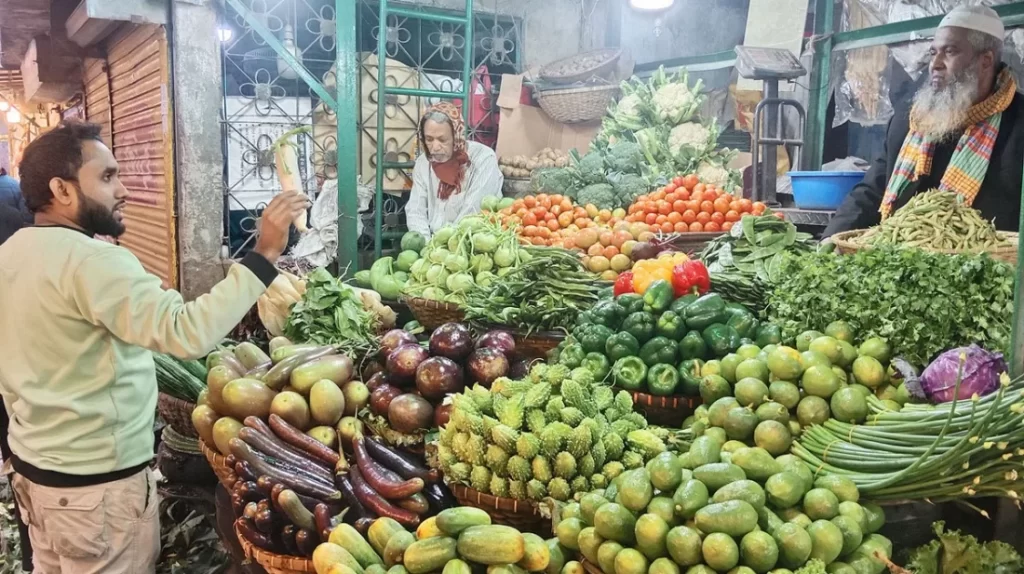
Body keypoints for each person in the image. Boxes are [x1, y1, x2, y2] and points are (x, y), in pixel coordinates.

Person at [0, 122, 308, 573]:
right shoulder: (94, 262)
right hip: (97, 493)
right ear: (61, 190)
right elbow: (189, 332)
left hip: (37, 477)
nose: (123, 189)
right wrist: (263, 253)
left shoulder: (11, 254)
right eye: (107, 177)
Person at [824, 5, 1023, 237]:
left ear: (986, 60)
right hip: (906, 258)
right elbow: (871, 191)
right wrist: (830, 239)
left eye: (950, 51)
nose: (935, 64)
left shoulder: (1017, 124)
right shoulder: (911, 119)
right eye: (933, 52)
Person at [406, 102, 502, 238]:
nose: (435, 147)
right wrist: (424, 244)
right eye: (429, 139)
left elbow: (472, 212)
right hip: (432, 245)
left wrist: (444, 246)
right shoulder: (423, 162)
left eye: (442, 139)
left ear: (456, 137)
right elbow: (415, 210)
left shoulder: (483, 159)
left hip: (471, 242)